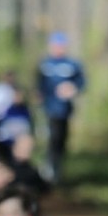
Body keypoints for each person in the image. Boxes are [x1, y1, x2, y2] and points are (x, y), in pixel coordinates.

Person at [36, 31, 85, 183]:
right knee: (51, 140)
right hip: (48, 110)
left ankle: (58, 171)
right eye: (56, 45)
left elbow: (82, 83)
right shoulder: (45, 64)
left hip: (64, 111)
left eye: (61, 45)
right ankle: (47, 171)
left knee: (61, 141)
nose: (59, 48)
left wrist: (72, 89)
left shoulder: (72, 64)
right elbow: (38, 85)